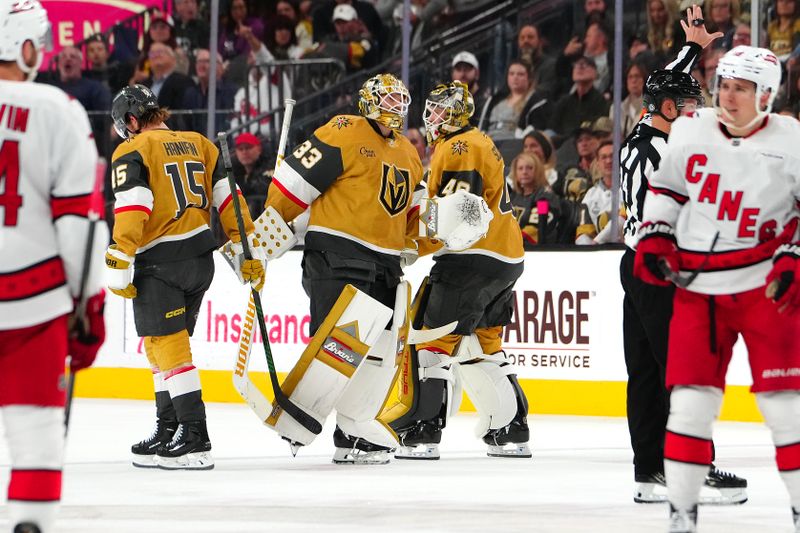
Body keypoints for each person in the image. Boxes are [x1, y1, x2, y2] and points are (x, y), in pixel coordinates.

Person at [634, 43, 800, 532]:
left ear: (765, 95)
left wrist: (793, 258)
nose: (728, 97)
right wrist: (656, 237)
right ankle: (682, 516)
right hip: (697, 290)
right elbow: (666, 192)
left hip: (766, 286)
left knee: (785, 406)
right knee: (688, 406)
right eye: (724, 85)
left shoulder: (792, 139)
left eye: (741, 89)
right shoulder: (690, 130)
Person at [619, 5, 747, 508]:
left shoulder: (645, 135)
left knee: (648, 375)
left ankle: (651, 472)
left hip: (635, 265)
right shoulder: (665, 151)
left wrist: (693, 46)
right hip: (661, 268)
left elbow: (664, 81)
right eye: (687, 103)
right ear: (668, 107)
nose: (695, 109)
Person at [260, 73, 423, 465]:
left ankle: (354, 429)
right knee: (339, 345)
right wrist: (269, 228)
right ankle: (302, 418)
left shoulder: (410, 153)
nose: (394, 108)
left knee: (381, 349)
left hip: (384, 263)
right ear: (367, 102)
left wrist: (422, 238)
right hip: (337, 255)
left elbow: (414, 212)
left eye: (399, 101)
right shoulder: (343, 130)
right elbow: (294, 181)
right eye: (387, 101)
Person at [106, 84, 264, 471]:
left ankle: (195, 437)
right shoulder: (200, 143)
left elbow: (134, 206)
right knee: (158, 346)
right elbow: (230, 201)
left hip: (160, 261)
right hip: (198, 258)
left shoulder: (133, 149)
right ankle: (169, 427)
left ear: (131, 120)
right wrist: (249, 251)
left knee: (169, 348)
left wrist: (119, 258)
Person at [0, 1, 107, 531]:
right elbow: (79, 225)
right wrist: (89, 307)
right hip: (33, 302)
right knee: (36, 439)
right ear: (24, 47)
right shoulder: (57, 108)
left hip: (33, 300)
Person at [390, 81, 530, 460]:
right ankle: (510, 427)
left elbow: (459, 213)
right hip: (504, 258)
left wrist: (413, 245)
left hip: (471, 258)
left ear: (452, 114)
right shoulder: (477, 141)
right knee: (482, 344)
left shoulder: (458, 146)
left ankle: (422, 429)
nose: (431, 117)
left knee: (429, 339)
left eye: (437, 110)